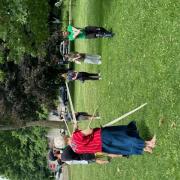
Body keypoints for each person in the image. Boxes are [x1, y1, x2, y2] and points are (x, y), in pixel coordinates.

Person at [69, 121, 156, 156]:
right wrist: (77, 131)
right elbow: (90, 131)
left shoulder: (75, 150)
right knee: (124, 138)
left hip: (103, 148)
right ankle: (149, 143)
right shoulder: (74, 137)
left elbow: (85, 143)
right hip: (101, 136)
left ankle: (145, 148)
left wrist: (76, 130)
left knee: (123, 146)